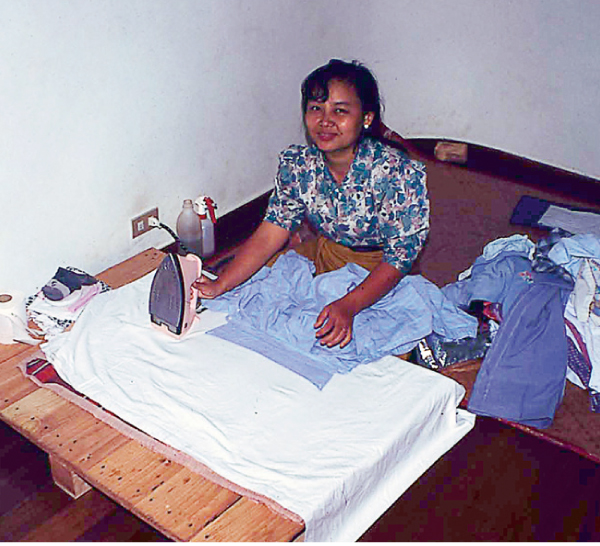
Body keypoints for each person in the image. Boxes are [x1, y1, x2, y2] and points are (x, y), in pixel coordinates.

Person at [194, 59, 429, 349]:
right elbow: (272, 231)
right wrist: (221, 284)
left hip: (381, 271)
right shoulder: (299, 166)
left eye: (340, 110)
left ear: (366, 118)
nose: (325, 120)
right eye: (316, 108)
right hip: (327, 255)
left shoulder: (396, 173)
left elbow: (399, 258)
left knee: (371, 346)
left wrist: (349, 305)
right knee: (256, 293)